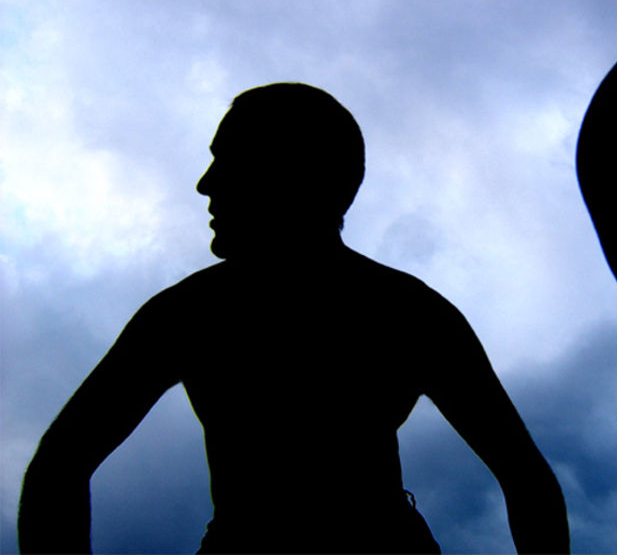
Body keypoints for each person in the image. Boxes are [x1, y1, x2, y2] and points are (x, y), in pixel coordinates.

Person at [18, 83, 569, 554]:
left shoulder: (190, 313)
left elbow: (59, 465)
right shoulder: (410, 311)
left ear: (285, 174)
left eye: (228, 160)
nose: (205, 184)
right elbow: (526, 477)